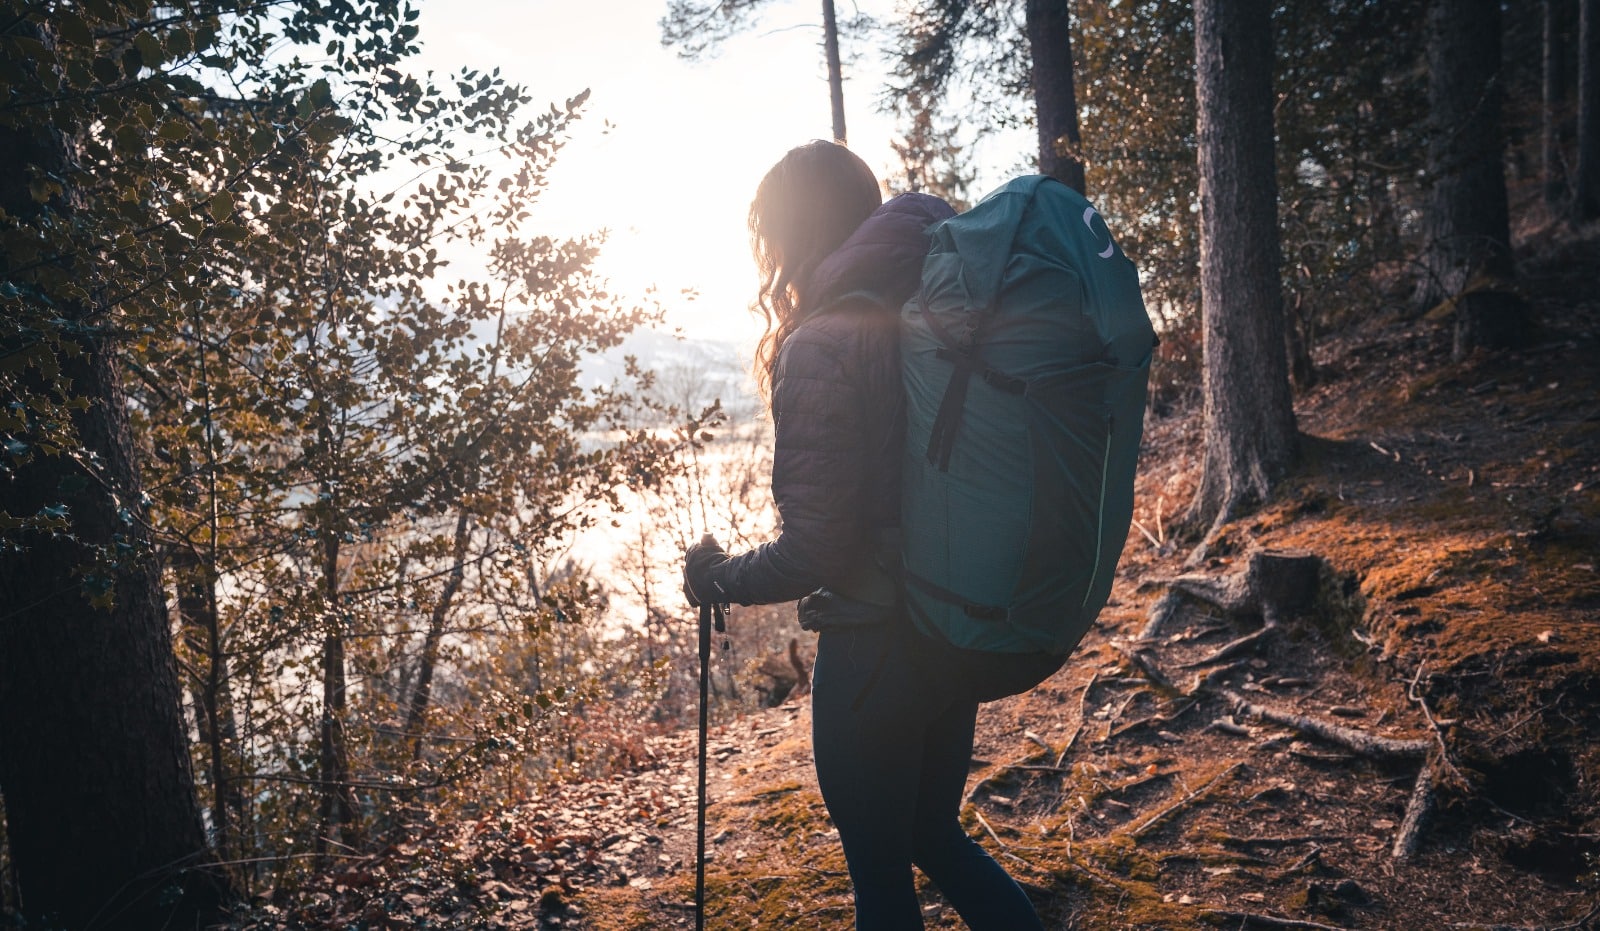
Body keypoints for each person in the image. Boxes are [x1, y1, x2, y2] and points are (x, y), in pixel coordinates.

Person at [681, 140, 1065, 931]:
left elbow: (817, 547)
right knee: (934, 832)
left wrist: (718, 578)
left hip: (872, 652)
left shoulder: (822, 341)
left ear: (796, 232)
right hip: (947, 624)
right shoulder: (934, 315)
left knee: (883, 884)